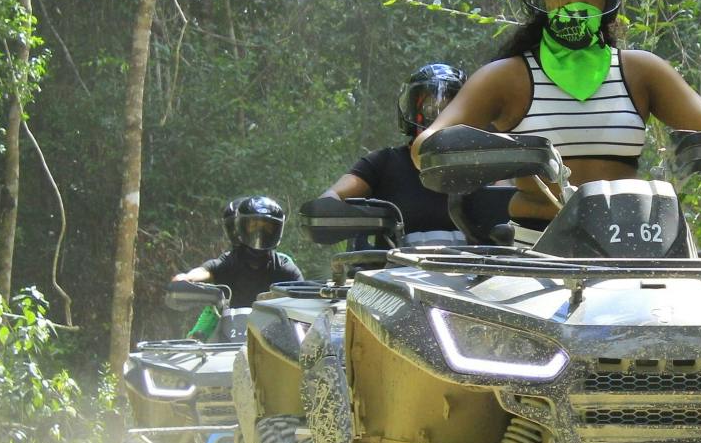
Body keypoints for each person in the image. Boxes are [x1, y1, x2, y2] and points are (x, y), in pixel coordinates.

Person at [412, 0, 701, 246]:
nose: (576, 3)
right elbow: (425, 146)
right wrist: (478, 150)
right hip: (534, 255)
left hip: (638, 248)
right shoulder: (506, 77)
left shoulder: (642, 72)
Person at [324, 63, 491, 245]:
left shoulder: (483, 167)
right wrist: (331, 210)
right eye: (430, 108)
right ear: (413, 112)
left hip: (476, 271)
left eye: (451, 109)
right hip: (390, 271)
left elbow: (504, 205)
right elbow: (333, 198)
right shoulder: (384, 163)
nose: (442, 118)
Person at [173, 195, 302, 335]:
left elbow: (305, 296)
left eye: (267, 227)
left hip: (274, 342)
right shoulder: (230, 260)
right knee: (196, 339)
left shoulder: (284, 266)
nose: (260, 232)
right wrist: (187, 278)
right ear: (241, 227)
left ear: (276, 230)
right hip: (227, 343)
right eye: (254, 226)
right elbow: (208, 269)